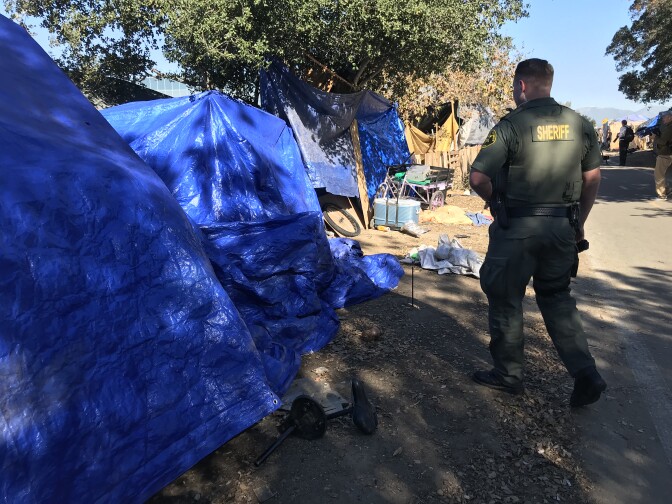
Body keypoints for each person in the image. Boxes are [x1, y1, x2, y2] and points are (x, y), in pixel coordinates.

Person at [469, 58, 606, 407]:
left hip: (517, 229)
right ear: (549, 83)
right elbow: (592, 178)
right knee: (558, 298)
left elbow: (478, 178)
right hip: (562, 229)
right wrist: (579, 225)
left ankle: (508, 375)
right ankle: (586, 374)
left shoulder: (511, 125)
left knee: (505, 297)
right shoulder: (580, 124)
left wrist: (497, 207)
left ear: (522, 86)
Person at [654, 110, 672, 199]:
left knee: (659, 174)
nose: (663, 119)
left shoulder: (669, 128)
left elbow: (663, 141)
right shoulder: (667, 127)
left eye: (665, 117)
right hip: (667, 153)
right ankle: (666, 189)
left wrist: (656, 136)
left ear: (670, 117)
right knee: (661, 173)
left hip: (665, 153)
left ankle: (662, 194)